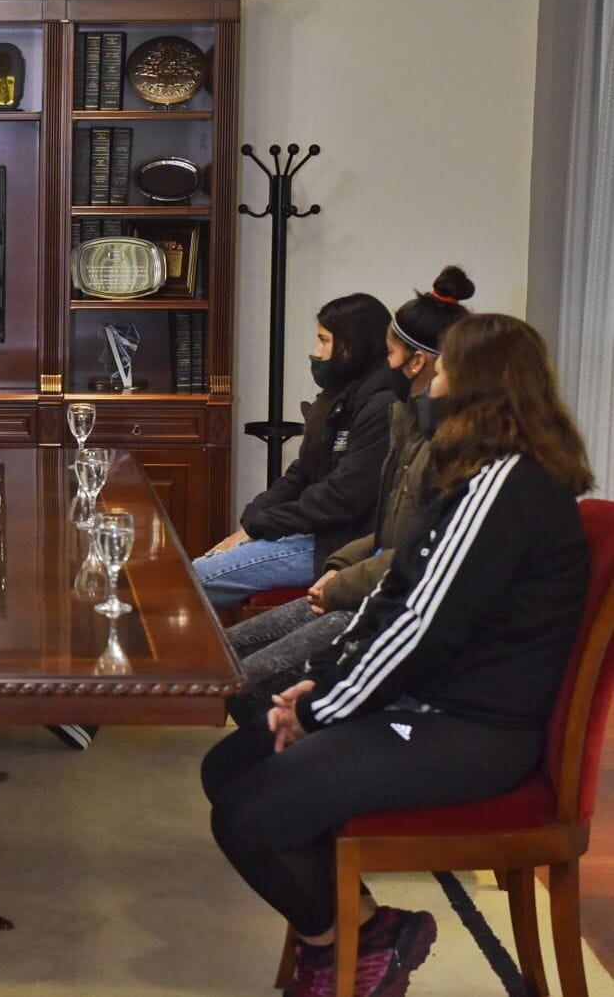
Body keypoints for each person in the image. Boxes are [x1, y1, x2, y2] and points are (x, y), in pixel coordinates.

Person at [201, 313, 592, 996]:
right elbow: (393, 599)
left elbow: (421, 628)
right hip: (433, 710)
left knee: (247, 813)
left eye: (441, 374)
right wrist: (320, 684)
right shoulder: (478, 479)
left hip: (471, 732)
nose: (428, 386)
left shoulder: (506, 487)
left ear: (478, 390)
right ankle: (368, 933)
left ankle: (347, 951)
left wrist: (321, 710)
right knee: (231, 765)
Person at [226, 267, 473, 725]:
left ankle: (283, 759)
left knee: (247, 681)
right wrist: (342, 568)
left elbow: (419, 552)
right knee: (229, 655)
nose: (385, 363)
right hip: (362, 580)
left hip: (386, 605)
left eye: (391, 352)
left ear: (418, 363)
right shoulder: (409, 423)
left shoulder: (451, 446)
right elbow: (383, 528)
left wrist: (345, 580)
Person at [192, 293, 396, 609]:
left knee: (195, 582)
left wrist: (266, 524)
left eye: (323, 341)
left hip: (338, 545)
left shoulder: (382, 405)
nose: (315, 353)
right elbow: (303, 471)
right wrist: (253, 520)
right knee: (197, 569)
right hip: (312, 533)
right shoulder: (338, 395)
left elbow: (341, 498)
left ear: (351, 347)